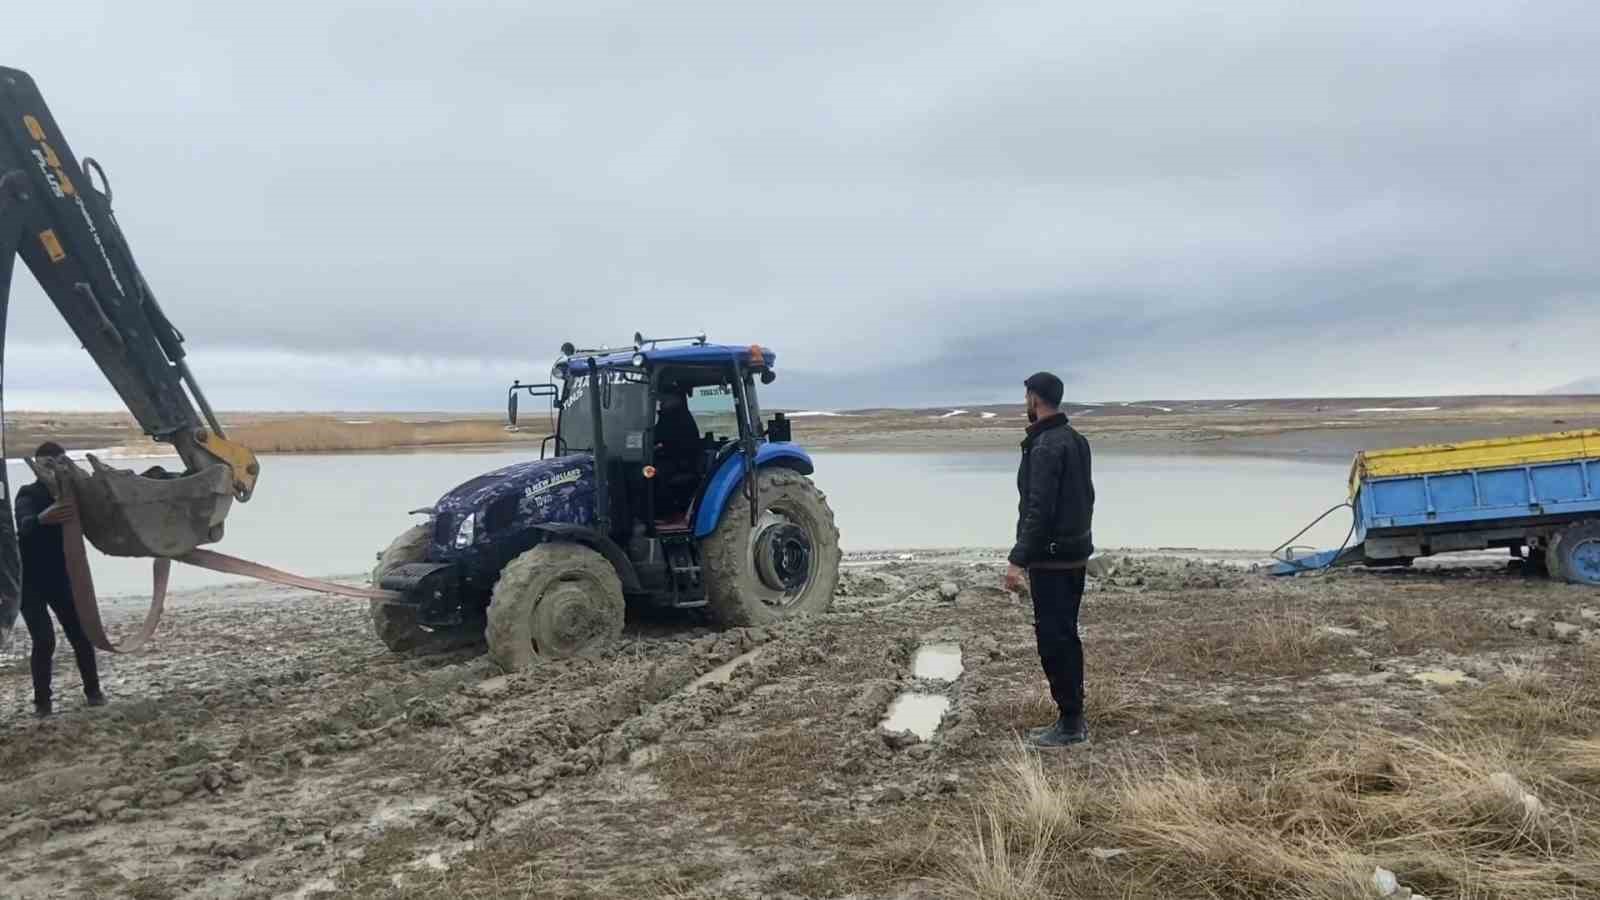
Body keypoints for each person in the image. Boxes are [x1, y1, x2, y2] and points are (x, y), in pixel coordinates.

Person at [1003, 372, 1094, 749]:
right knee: (1066, 636)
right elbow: (1088, 498)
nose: (1025, 402)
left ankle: (1071, 725)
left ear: (1035, 398)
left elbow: (1037, 511)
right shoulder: (1076, 439)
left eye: (1026, 395)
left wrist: (1017, 560)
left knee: (1054, 640)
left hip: (1053, 560)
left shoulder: (1045, 446)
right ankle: (1072, 718)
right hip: (1074, 555)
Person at [14, 442, 103, 717]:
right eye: (48, 463)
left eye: (60, 462)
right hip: (29, 581)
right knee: (44, 641)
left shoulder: (75, 495)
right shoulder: (27, 493)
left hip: (62, 578)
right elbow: (24, 524)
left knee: (81, 635)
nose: (55, 469)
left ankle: (94, 693)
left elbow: (101, 517)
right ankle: (43, 704)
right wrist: (42, 518)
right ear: (38, 466)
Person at [652, 388, 702, 518]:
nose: (660, 401)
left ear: (675, 399)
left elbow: (660, 436)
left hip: (682, 462)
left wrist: (656, 446)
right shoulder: (671, 415)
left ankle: (667, 513)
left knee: (655, 474)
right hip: (674, 457)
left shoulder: (676, 416)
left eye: (664, 398)